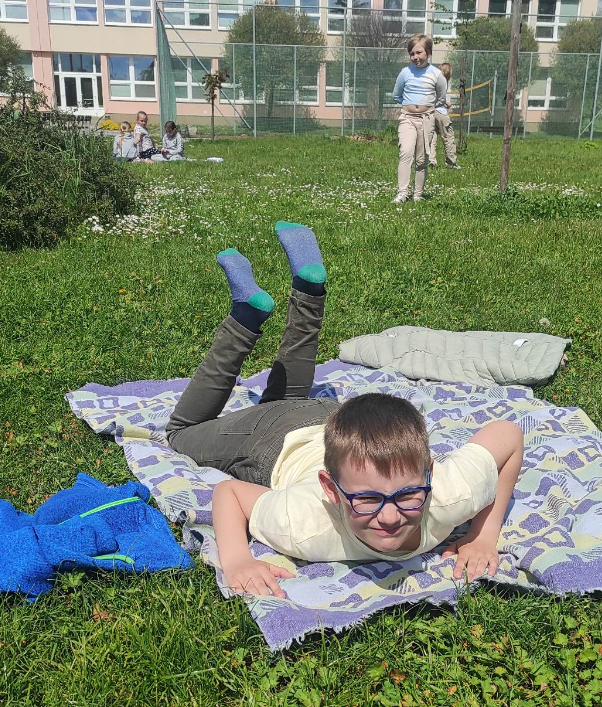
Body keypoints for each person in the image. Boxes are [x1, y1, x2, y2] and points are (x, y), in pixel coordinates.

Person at [164, 222, 524, 599]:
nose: (390, 517)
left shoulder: (451, 495)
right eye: (367, 500)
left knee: (287, 400)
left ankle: (306, 290)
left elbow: (509, 435)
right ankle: (245, 318)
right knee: (180, 432)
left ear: (430, 474)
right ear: (329, 490)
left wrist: (483, 536)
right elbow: (231, 493)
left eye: (407, 495)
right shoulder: (303, 523)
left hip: (334, 419)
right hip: (271, 439)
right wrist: (237, 560)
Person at [391, 34, 448, 204]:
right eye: (412, 54)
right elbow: (396, 95)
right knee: (406, 152)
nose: (415, 57)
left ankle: (417, 194)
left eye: (419, 53)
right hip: (407, 118)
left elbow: (441, 97)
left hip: (426, 119)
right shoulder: (405, 73)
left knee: (422, 159)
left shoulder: (436, 74)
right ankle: (402, 193)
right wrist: (409, 105)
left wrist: (427, 108)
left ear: (428, 53)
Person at [431, 61, 459, 169]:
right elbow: (438, 98)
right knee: (448, 136)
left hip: (431, 111)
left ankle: (431, 161)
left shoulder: (434, 80)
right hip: (440, 113)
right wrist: (445, 103)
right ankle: (451, 162)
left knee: (432, 137)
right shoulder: (442, 81)